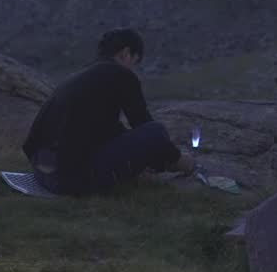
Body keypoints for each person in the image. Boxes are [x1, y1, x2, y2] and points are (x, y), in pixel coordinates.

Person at [22, 28, 195, 195]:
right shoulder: (121, 75)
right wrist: (177, 159)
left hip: (43, 176)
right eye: (134, 62)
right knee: (156, 131)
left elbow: (107, 131)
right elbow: (144, 124)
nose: (132, 69)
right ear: (126, 53)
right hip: (71, 181)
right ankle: (181, 163)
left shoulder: (78, 78)